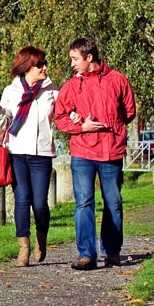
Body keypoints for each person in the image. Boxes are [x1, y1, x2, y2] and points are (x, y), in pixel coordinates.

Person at [54, 37, 136, 271]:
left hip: (111, 151)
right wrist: (81, 127)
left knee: (114, 202)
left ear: (89, 58)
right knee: (83, 203)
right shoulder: (71, 86)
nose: (72, 64)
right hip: (82, 152)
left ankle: (112, 252)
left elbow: (129, 111)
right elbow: (60, 117)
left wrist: (112, 125)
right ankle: (87, 255)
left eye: (74, 59)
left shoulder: (117, 80)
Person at [0, 46, 58, 267]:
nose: (45, 67)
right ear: (28, 67)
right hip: (17, 152)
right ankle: (23, 250)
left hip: (42, 153)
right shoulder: (11, 91)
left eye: (44, 63)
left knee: (39, 205)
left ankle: (41, 240)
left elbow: (64, 113)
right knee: (22, 200)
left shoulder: (51, 89)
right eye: (40, 64)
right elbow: (4, 123)